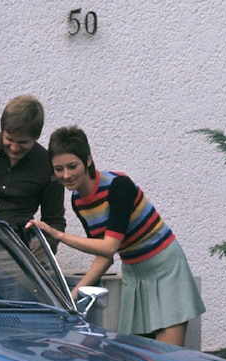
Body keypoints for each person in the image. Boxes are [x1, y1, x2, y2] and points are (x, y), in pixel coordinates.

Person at [26, 127, 204, 346]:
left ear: (88, 160)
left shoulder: (119, 186)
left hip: (165, 268)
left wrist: (58, 235)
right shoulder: (78, 201)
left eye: (72, 166)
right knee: (137, 355)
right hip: (134, 273)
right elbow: (104, 255)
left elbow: (109, 247)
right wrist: (72, 296)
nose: (66, 175)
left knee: (169, 356)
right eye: (58, 169)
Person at [0, 95, 66, 242]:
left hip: (16, 247)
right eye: (9, 139)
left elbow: (55, 221)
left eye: (23, 142)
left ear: (36, 137)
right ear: (2, 130)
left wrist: (42, 250)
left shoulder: (47, 165)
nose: (15, 148)